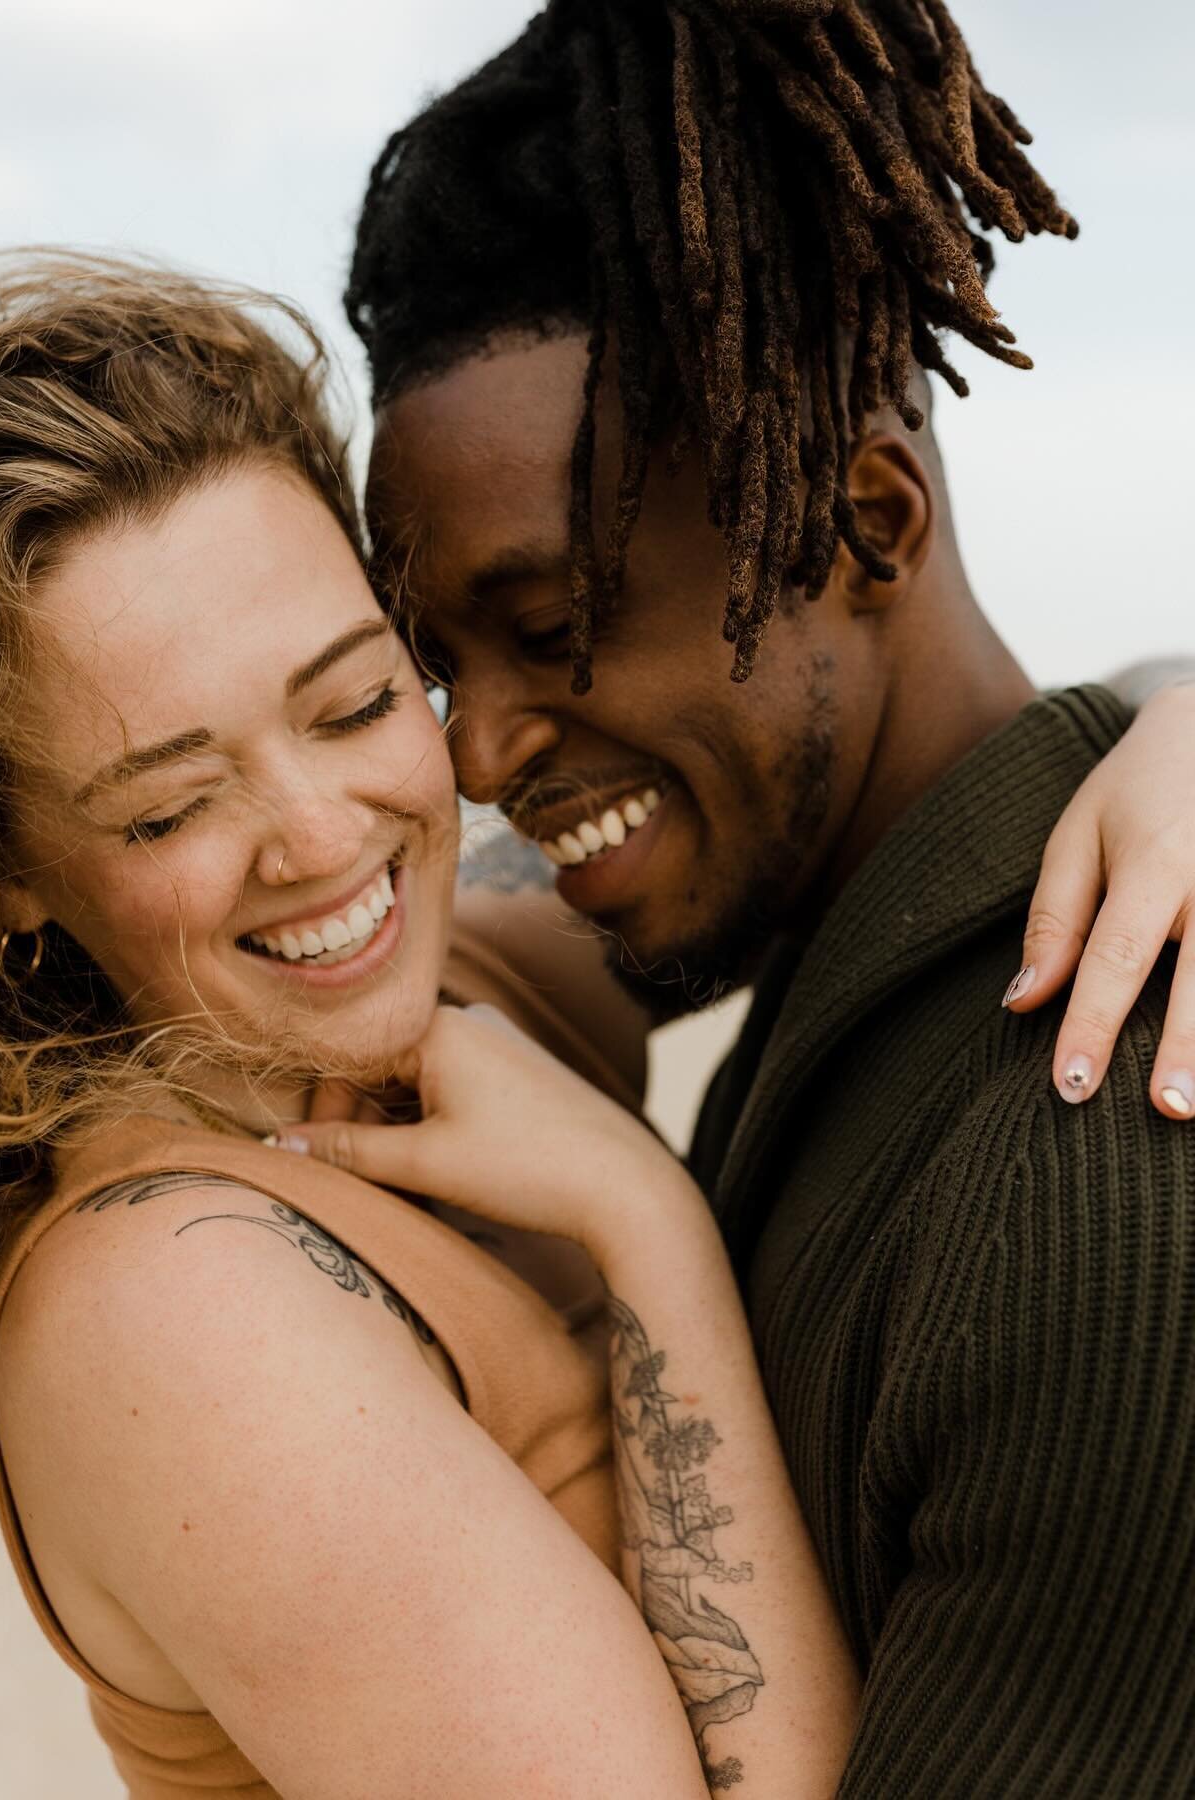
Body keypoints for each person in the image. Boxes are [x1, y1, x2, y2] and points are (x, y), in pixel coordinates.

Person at [0, 253, 876, 1800]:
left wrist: (1160, 741)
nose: (322, 839)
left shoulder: (465, 996)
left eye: (354, 706)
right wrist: (647, 1221)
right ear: (8, 871)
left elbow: (826, 829)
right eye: (169, 807)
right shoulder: (174, 1315)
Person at [306, 1, 1195, 1792]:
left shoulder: (1106, 1151)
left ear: (869, 520)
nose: (473, 756)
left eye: (552, 629)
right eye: (431, 663)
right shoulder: (847, 947)